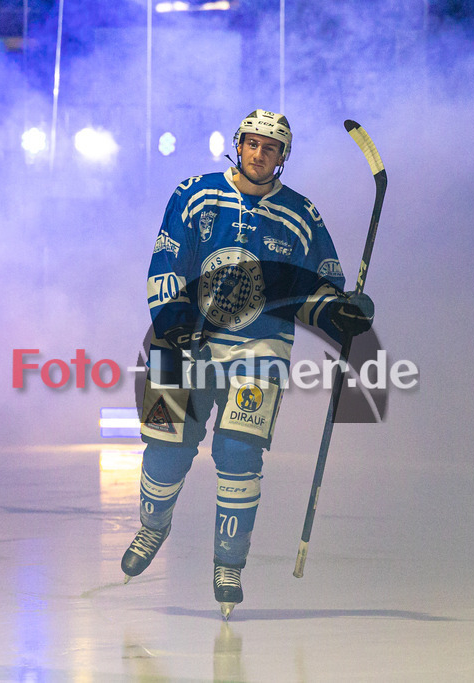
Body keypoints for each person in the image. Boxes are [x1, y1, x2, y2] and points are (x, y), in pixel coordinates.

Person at [123, 109, 375, 617]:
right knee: (165, 450)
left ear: (283, 157)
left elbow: (315, 290)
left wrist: (339, 313)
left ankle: (229, 564)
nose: (260, 154)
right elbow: (165, 260)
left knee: (240, 455)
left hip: (259, 349)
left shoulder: (301, 214)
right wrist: (171, 321)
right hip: (183, 342)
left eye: (271, 147)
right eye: (253, 144)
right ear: (238, 145)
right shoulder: (194, 194)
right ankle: (152, 527)